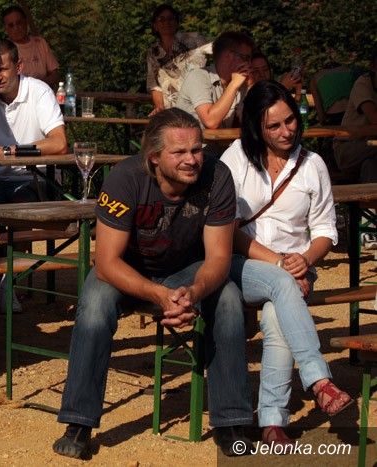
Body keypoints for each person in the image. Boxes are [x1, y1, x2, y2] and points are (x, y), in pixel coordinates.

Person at [51, 108, 252, 460]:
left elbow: (219, 258)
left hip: (187, 269)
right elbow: (106, 262)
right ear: (155, 157)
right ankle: (79, 422)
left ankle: (231, 421)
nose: (192, 159)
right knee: (95, 307)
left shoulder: (218, 176)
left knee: (229, 299)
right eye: (179, 152)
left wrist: (194, 292)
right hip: (127, 270)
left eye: (197, 149)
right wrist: (159, 295)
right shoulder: (124, 178)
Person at [221, 80, 353, 446]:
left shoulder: (312, 164)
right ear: (256, 127)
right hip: (242, 263)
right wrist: (281, 265)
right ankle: (319, 379)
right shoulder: (236, 157)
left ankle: (272, 421)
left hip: (296, 267)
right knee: (283, 284)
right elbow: (227, 229)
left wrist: (305, 258)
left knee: (277, 316)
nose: (286, 131)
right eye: (274, 125)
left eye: (290, 120)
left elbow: (325, 231)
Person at [0, 39, 68, 203]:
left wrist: (8, 151)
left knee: (19, 203)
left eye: (3, 69)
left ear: (19, 66)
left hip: (39, 179)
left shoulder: (39, 91)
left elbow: (59, 143)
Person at [175, 31, 255, 130]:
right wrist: (233, 85)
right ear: (229, 56)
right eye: (246, 58)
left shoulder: (240, 82)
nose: (249, 63)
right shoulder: (198, 76)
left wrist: (251, 86)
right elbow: (211, 122)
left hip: (222, 140)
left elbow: (251, 123)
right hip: (189, 140)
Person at [146, 3, 209, 114]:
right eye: (161, 19)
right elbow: (154, 85)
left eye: (171, 18)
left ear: (177, 22)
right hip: (171, 113)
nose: (167, 22)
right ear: (155, 25)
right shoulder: (153, 52)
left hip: (198, 106)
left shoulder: (195, 40)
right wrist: (160, 108)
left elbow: (219, 51)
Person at [333, 52, 377, 182]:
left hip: (370, 145)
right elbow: (374, 118)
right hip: (348, 146)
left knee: (371, 165)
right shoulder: (363, 84)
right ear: (373, 66)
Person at [1, 5, 59, 88]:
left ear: (25, 22)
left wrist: (39, 86)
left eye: (19, 23)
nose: (16, 28)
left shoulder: (40, 43)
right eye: (11, 25)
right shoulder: (4, 49)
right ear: (6, 29)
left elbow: (55, 74)